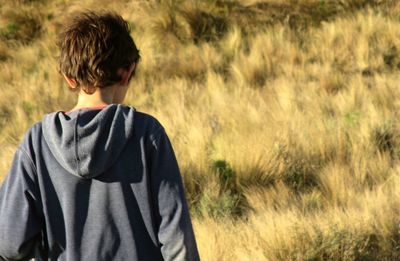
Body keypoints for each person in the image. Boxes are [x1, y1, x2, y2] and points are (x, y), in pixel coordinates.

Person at [0, 11, 200, 261]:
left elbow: (9, 242)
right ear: (128, 72)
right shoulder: (147, 133)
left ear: (68, 78)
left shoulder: (37, 142)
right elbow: (177, 239)